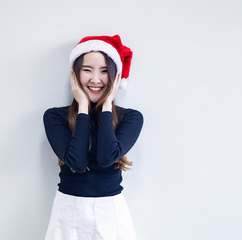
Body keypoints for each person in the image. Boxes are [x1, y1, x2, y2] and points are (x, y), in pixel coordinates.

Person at [43, 34, 143, 240]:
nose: (96, 79)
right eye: (87, 70)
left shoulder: (131, 118)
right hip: (68, 212)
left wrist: (107, 106)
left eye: (105, 71)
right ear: (75, 75)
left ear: (116, 78)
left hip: (111, 213)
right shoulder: (54, 116)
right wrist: (83, 107)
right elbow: (77, 163)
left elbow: (107, 158)